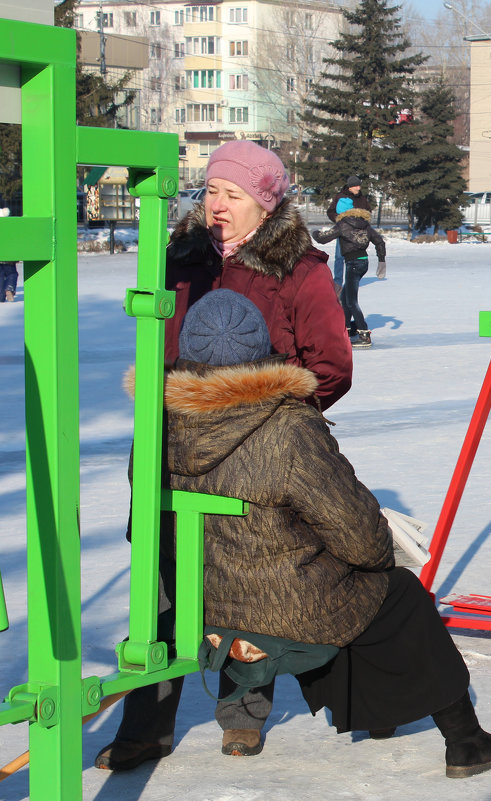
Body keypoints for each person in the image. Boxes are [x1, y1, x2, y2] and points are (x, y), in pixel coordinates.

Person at [153, 289, 491, 778]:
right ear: (262, 352)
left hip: (198, 610)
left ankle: (380, 715)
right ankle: (467, 741)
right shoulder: (285, 426)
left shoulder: (158, 425)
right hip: (285, 613)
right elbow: (359, 536)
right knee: (397, 592)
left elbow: (147, 529)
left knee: (349, 587)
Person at [97, 140, 353, 771]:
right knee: (161, 590)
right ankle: (144, 728)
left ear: (265, 204)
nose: (216, 206)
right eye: (210, 190)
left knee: (248, 586)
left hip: (252, 455)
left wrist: (265, 411)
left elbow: (331, 367)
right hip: (173, 446)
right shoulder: (179, 259)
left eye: (232, 195)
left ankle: (243, 717)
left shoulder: (300, 268)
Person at [312, 203, 386, 348]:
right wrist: (381, 260)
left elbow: (322, 238)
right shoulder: (365, 225)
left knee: (351, 301)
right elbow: (379, 241)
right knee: (346, 299)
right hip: (363, 263)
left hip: (353, 264)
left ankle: (364, 334)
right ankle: (344, 330)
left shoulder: (343, 225)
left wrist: (314, 232)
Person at [326, 176, 370, 292]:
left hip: (357, 234)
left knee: (354, 258)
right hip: (343, 232)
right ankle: (338, 283)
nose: (358, 188)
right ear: (350, 187)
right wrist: (340, 220)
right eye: (356, 186)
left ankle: (352, 281)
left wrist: (362, 221)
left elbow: (368, 212)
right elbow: (330, 212)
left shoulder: (362, 198)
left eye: (359, 185)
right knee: (339, 257)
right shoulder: (340, 197)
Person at [0, 207, 17, 302]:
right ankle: (9, 289)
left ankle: (1, 297)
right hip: (9, 257)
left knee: (0, 276)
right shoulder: (10, 227)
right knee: (12, 274)